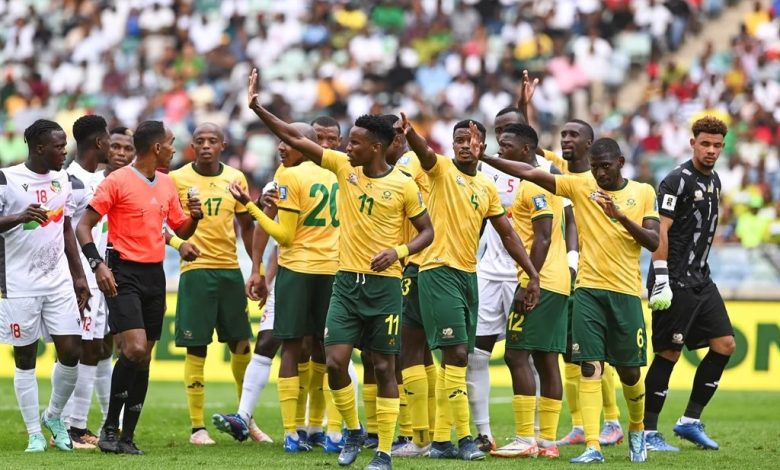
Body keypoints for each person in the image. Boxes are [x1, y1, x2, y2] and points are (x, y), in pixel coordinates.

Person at [246, 68, 434, 470]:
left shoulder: (403, 185)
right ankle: (351, 429)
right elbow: (297, 138)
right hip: (345, 284)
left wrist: (399, 251)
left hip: (384, 286)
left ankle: (382, 450)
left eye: (357, 143)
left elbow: (427, 232)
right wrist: (258, 108)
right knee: (334, 361)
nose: (348, 148)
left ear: (378, 147)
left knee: (383, 366)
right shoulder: (342, 168)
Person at [480, 137, 660, 464]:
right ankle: (593, 444)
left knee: (630, 373)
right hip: (587, 290)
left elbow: (652, 240)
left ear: (620, 162)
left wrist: (618, 215)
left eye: (605, 167)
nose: (599, 174)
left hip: (626, 293)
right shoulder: (580, 186)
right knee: (590, 365)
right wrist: (486, 158)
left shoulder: (644, 192)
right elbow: (533, 173)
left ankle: (636, 428)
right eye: (594, 168)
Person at [400, 115, 540, 461]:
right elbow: (425, 155)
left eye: (471, 140)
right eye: (459, 139)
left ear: (483, 147)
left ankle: (442, 441)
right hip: (437, 271)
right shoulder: (441, 170)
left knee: (455, 359)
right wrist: (412, 135)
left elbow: (508, 235)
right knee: (459, 354)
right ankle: (464, 438)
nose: (465, 145)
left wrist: (532, 273)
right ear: (452, 145)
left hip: (468, 275)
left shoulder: (486, 187)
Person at [76, 120, 203, 455]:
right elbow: (83, 226)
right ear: (157, 147)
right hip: (122, 272)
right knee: (133, 349)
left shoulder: (165, 183)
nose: (176, 148)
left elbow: (181, 229)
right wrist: (97, 264)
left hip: (154, 275)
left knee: (144, 358)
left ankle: (127, 436)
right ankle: (108, 428)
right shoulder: (117, 181)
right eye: (172, 142)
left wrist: (195, 217)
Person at [229, 121, 339, 453]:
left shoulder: (289, 176)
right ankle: (329, 431)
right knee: (328, 349)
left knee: (292, 347)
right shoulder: (341, 172)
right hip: (333, 270)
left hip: (298, 270)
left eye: (288, 141)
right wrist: (259, 268)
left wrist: (248, 208)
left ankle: (296, 433)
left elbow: (284, 235)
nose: (281, 147)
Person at [643, 116, 735, 452]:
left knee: (725, 344)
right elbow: (660, 230)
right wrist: (662, 276)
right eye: (705, 144)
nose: (711, 151)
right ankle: (649, 432)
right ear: (692, 142)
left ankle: (689, 421)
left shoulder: (715, 182)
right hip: (674, 279)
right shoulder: (676, 180)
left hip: (701, 278)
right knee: (669, 352)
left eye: (717, 146)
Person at [0, 119, 90, 453]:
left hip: (59, 283)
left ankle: (53, 416)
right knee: (25, 358)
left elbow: (66, 228)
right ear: (39, 148)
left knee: (72, 350)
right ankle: (34, 433)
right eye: (58, 146)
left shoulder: (63, 180)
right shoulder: (6, 179)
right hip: (19, 284)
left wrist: (79, 276)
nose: (64, 151)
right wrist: (19, 217)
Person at [167, 123, 256, 446]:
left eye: (212, 141)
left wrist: (256, 269)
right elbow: (164, 223)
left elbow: (247, 227)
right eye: (200, 141)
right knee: (197, 347)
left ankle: (247, 418)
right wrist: (178, 244)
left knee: (241, 344)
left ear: (223, 145)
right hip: (195, 270)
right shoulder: (176, 179)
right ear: (192, 145)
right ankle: (196, 428)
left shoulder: (236, 178)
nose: (206, 145)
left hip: (231, 271)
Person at [488, 124, 568, 459]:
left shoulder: (534, 183)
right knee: (547, 360)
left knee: (516, 354)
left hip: (542, 281)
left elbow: (544, 236)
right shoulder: (540, 178)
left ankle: (525, 439)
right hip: (557, 280)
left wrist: (530, 281)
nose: (499, 150)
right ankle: (547, 442)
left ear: (525, 150)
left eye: (505, 145)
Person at [383, 115, 439, 458]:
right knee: (425, 351)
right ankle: (430, 433)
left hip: (414, 263)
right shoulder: (415, 162)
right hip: (426, 262)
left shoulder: (405, 164)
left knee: (408, 349)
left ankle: (420, 438)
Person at [60, 114, 110, 449]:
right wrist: (79, 275)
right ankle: (71, 426)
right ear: (98, 142)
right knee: (82, 348)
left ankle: (72, 424)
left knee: (97, 348)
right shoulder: (70, 181)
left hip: (100, 276)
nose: (110, 145)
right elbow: (64, 232)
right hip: (79, 278)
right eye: (108, 139)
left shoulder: (104, 179)